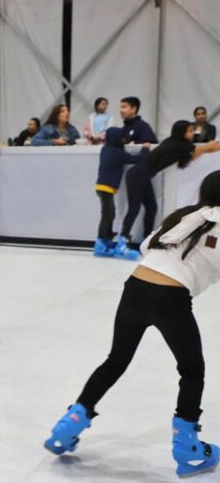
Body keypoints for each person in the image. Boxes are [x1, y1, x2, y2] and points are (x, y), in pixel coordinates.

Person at [44, 170, 220, 479]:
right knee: (192, 370)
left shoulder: (183, 215)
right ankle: (188, 448)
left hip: (135, 286)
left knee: (116, 360)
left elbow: (147, 246)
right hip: (171, 297)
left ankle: (69, 424)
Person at [116, 121, 220, 259]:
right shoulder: (178, 145)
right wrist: (211, 146)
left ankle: (147, 238)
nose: (192, 133)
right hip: (137, 175)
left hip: (142, 176)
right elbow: (204, 150)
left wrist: (209, 147)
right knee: (134, 208)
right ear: (181, 132)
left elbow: (191, 156)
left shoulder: (177, 144)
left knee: (151, 207)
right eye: (189, 131)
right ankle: (121, 243)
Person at [93, 128, 150, 258]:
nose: (123, 141)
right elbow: (136, 159)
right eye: (122, 138)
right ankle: (100, 243)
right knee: (107, 215)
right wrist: (145, 149)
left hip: (102, 187)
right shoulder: (117, 153)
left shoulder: (106, 149)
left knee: (110, 213)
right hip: (106, 187)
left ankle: (106, 238)